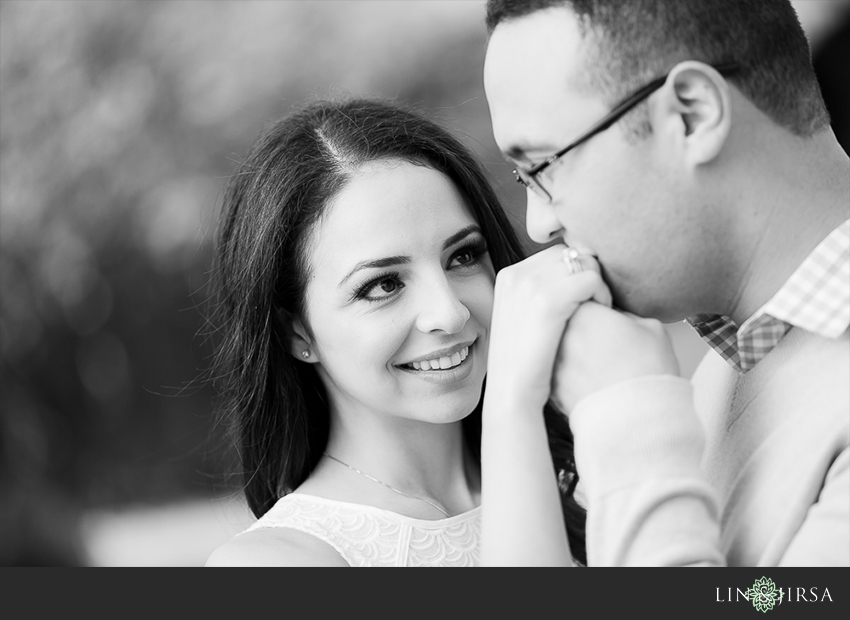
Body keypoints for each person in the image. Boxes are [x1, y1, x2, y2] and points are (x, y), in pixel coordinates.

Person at [481, 0, 849, 566]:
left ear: (692, 114)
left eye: (542, 166)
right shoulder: (724, 368)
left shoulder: (646, 403)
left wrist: (631, 424)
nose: (539, 223)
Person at [203, 98, 587, 567]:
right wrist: (513, 406)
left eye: (462, 256)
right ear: (297, 332)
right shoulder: (276, 563)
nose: (449, 313)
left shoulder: (588, 473)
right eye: (383, 285)